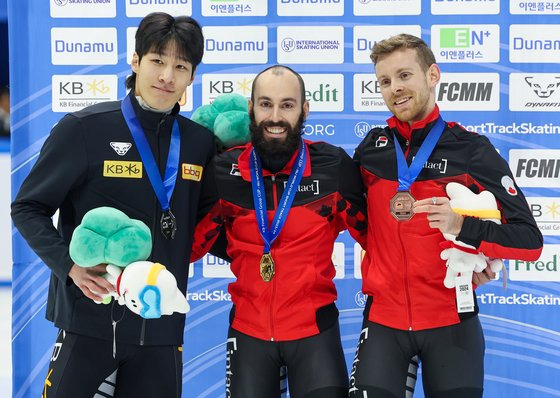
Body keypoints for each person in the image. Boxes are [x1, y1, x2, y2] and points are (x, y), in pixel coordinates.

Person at [11, 13, 213, 398]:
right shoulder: (85, 128)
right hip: (89, 324)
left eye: (180, 66)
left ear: (191, 77)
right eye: (157, 61)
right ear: (135, 61)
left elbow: (211, 222)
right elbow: (27, 207)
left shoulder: (199, 143)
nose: (167, 76)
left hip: (161, 331)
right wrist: (68, 267)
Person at [349, 34, 543, 398]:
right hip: (383, 321)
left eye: (405, 75)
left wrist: (463, 229)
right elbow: (350, 215)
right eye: (385, 81)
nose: (395, 89)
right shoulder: (372, 149)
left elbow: (530, 241)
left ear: (433, 74)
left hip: (452, 322)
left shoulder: (471, 149)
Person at [190, 65, 367, 398]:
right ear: (251, 110)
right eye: (265, 104)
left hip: (314, 331)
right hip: (248, 332)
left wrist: (465, 250)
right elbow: (192, 245)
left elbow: (382, 238)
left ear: (304, 110)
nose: (275, 116)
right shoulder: (223, 171)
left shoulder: (333, 167)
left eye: (287, 105)